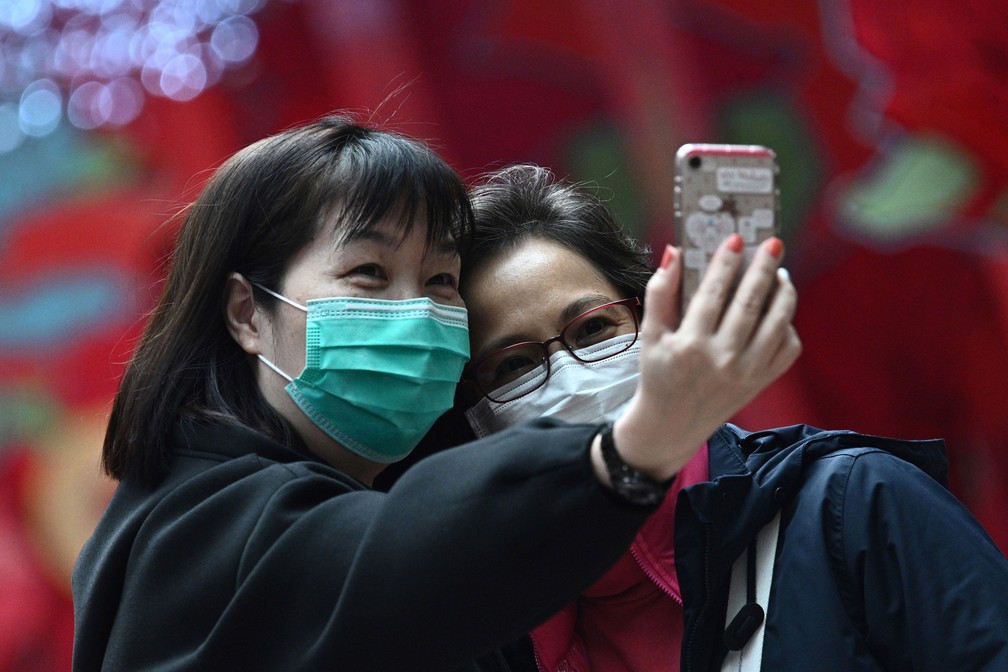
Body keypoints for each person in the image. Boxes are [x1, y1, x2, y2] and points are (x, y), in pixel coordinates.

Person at [70, 116, 798, 672]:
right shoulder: (197, 525)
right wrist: (627, 451)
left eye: (441, 280)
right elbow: (378, 561)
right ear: (245, 313)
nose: (417, 313)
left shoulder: (828, 496)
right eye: (367, 274)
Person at [457, 163, 1008, 672]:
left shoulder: (857, 503)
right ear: (474, 416)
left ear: (656, 322)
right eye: (515, 364)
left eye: (594, 329)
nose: (570, 378)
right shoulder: (491, 643)